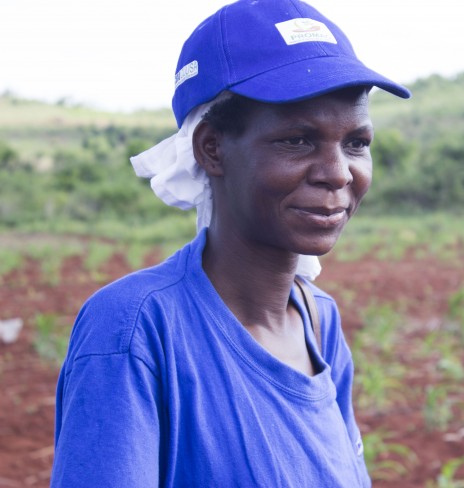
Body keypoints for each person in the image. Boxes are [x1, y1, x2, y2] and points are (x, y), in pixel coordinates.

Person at [50, 1, 409, 486]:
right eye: (297, 140)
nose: (339, 172)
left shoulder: (320, 320)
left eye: (356, 142)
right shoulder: (135, 329)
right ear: (212, 149)